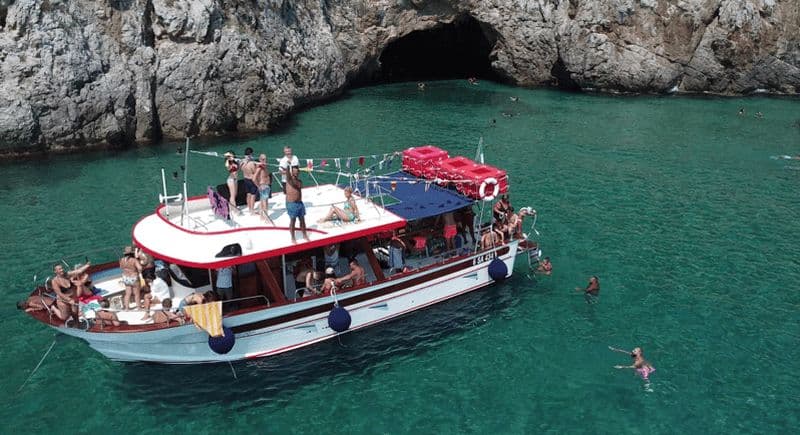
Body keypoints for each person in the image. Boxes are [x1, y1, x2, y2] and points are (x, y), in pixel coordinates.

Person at [285, 166, 309, 243]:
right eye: (294, 171)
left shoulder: (299, 181)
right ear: (292, 172)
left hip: (299, 203)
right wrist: (288, 167)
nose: (296, 173)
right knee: (293, 220)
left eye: (297, 171)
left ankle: (304, 234)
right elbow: (288, 175)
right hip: (291, 203)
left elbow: (299, 185)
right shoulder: (289, 180)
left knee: (302, 220)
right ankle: (293, 237)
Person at [254, 153, 273, 222]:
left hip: (266, 185)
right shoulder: (260, 168)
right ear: (259, 160)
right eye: (262, 159)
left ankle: (262, 216)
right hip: (263, 186)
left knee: (262, 201)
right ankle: (267, 218)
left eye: (265, 159)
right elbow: (254, 178)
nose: (264, 161)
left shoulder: (264, 166)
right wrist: (258, 186)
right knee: (265, 203)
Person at [240, 147, 259, 214]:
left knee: (248, 194)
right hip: (251, 180)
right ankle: (252, 210)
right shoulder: (251, 163)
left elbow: (241, 169)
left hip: (245, 179)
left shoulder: (242, 162)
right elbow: (254, 172)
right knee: (253, 195)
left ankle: (249, 207)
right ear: (251, 153)